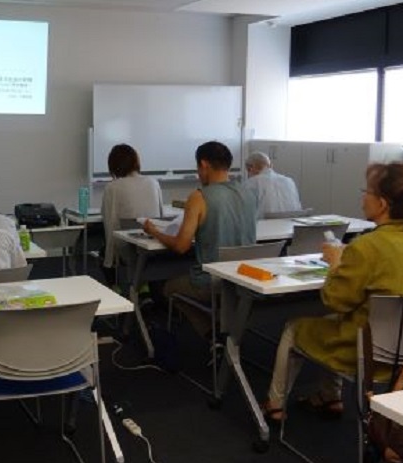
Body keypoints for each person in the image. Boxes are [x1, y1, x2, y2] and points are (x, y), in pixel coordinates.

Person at [262, 163, 403, 422]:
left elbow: (335, 300)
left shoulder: (365, 247)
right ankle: (329, 396)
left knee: (293, 329)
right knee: (336, 322)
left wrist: (336, 264)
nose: (363, 198)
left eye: (367, 191)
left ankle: (274, 405)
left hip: (365, 351)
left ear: (382, 203)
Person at [144, 141, 257, 337]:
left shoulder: (199, 197)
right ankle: (223, 327)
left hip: (211, 281)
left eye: (198, 168)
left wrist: (154, 232)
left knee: (169, 288)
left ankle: (210, 333)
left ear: (204, 165)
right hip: (244, 278)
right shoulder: (247, 193)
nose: (198, 174)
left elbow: (181, 246)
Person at [101, 144, 163, 282]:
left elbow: (109, 222)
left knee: (102, 250)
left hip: (128, 248)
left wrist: (110, 258)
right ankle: (142, 285)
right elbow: (160, 216)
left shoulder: (112, 187)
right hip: (153, 245)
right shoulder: (153, 183)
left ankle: (115, 287)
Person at [245, 151, 303, 218]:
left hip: (264, 223)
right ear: (271, 165)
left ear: (250, 168)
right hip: (290, 223)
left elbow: (245, 212)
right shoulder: (289, 181)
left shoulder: (251, 183)